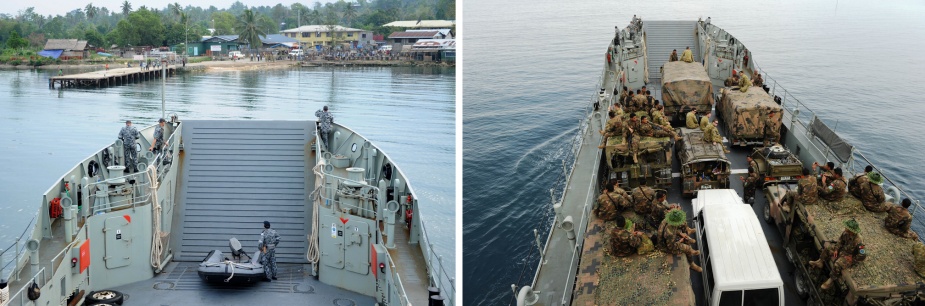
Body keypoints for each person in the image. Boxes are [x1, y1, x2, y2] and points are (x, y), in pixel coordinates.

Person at [809, 219, 864, 290]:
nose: (845, 228)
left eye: (847, 228)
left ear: (852, 231)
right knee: (828, 248)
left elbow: (862, 255)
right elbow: (840, 241)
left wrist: (852, 259)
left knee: (838, 264)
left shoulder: (859, 241)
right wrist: (836, 249)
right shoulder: (846, 233)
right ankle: (820, 262)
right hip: (843, 250)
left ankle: (831, 280)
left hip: (848, 255)